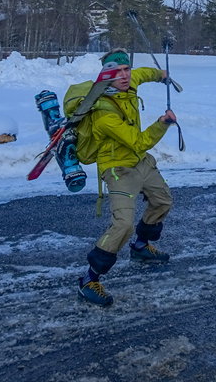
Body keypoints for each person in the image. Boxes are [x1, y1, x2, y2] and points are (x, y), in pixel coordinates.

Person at [76, 48, 177, 306]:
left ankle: (141, 247)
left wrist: (160, 75)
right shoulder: (104, 114)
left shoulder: (128, 82)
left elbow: (141, 74)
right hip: (118, 169)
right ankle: (90, 279)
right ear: (105, 77)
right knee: (123, 225)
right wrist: (163, 123)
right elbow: (138, 141)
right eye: (116, 72)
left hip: (139, 162)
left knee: (163, 201)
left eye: (125, 70)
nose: (123, 76)